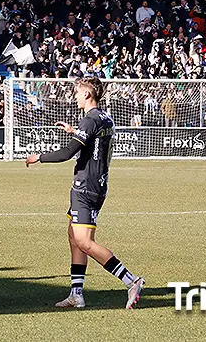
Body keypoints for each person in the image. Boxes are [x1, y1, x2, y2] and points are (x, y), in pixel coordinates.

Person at [26, 77, 145, 309]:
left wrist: (38, 157)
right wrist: (74, 131)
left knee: (84, 241)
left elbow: (69, 152)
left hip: (86, 187)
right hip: (96, 184)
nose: (76, 96)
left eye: (78, 92)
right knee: (74, 238)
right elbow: (93, 145)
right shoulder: (104, 118)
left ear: (88, 95)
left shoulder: (89, 120)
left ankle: (131, 281)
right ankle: (76, 294)